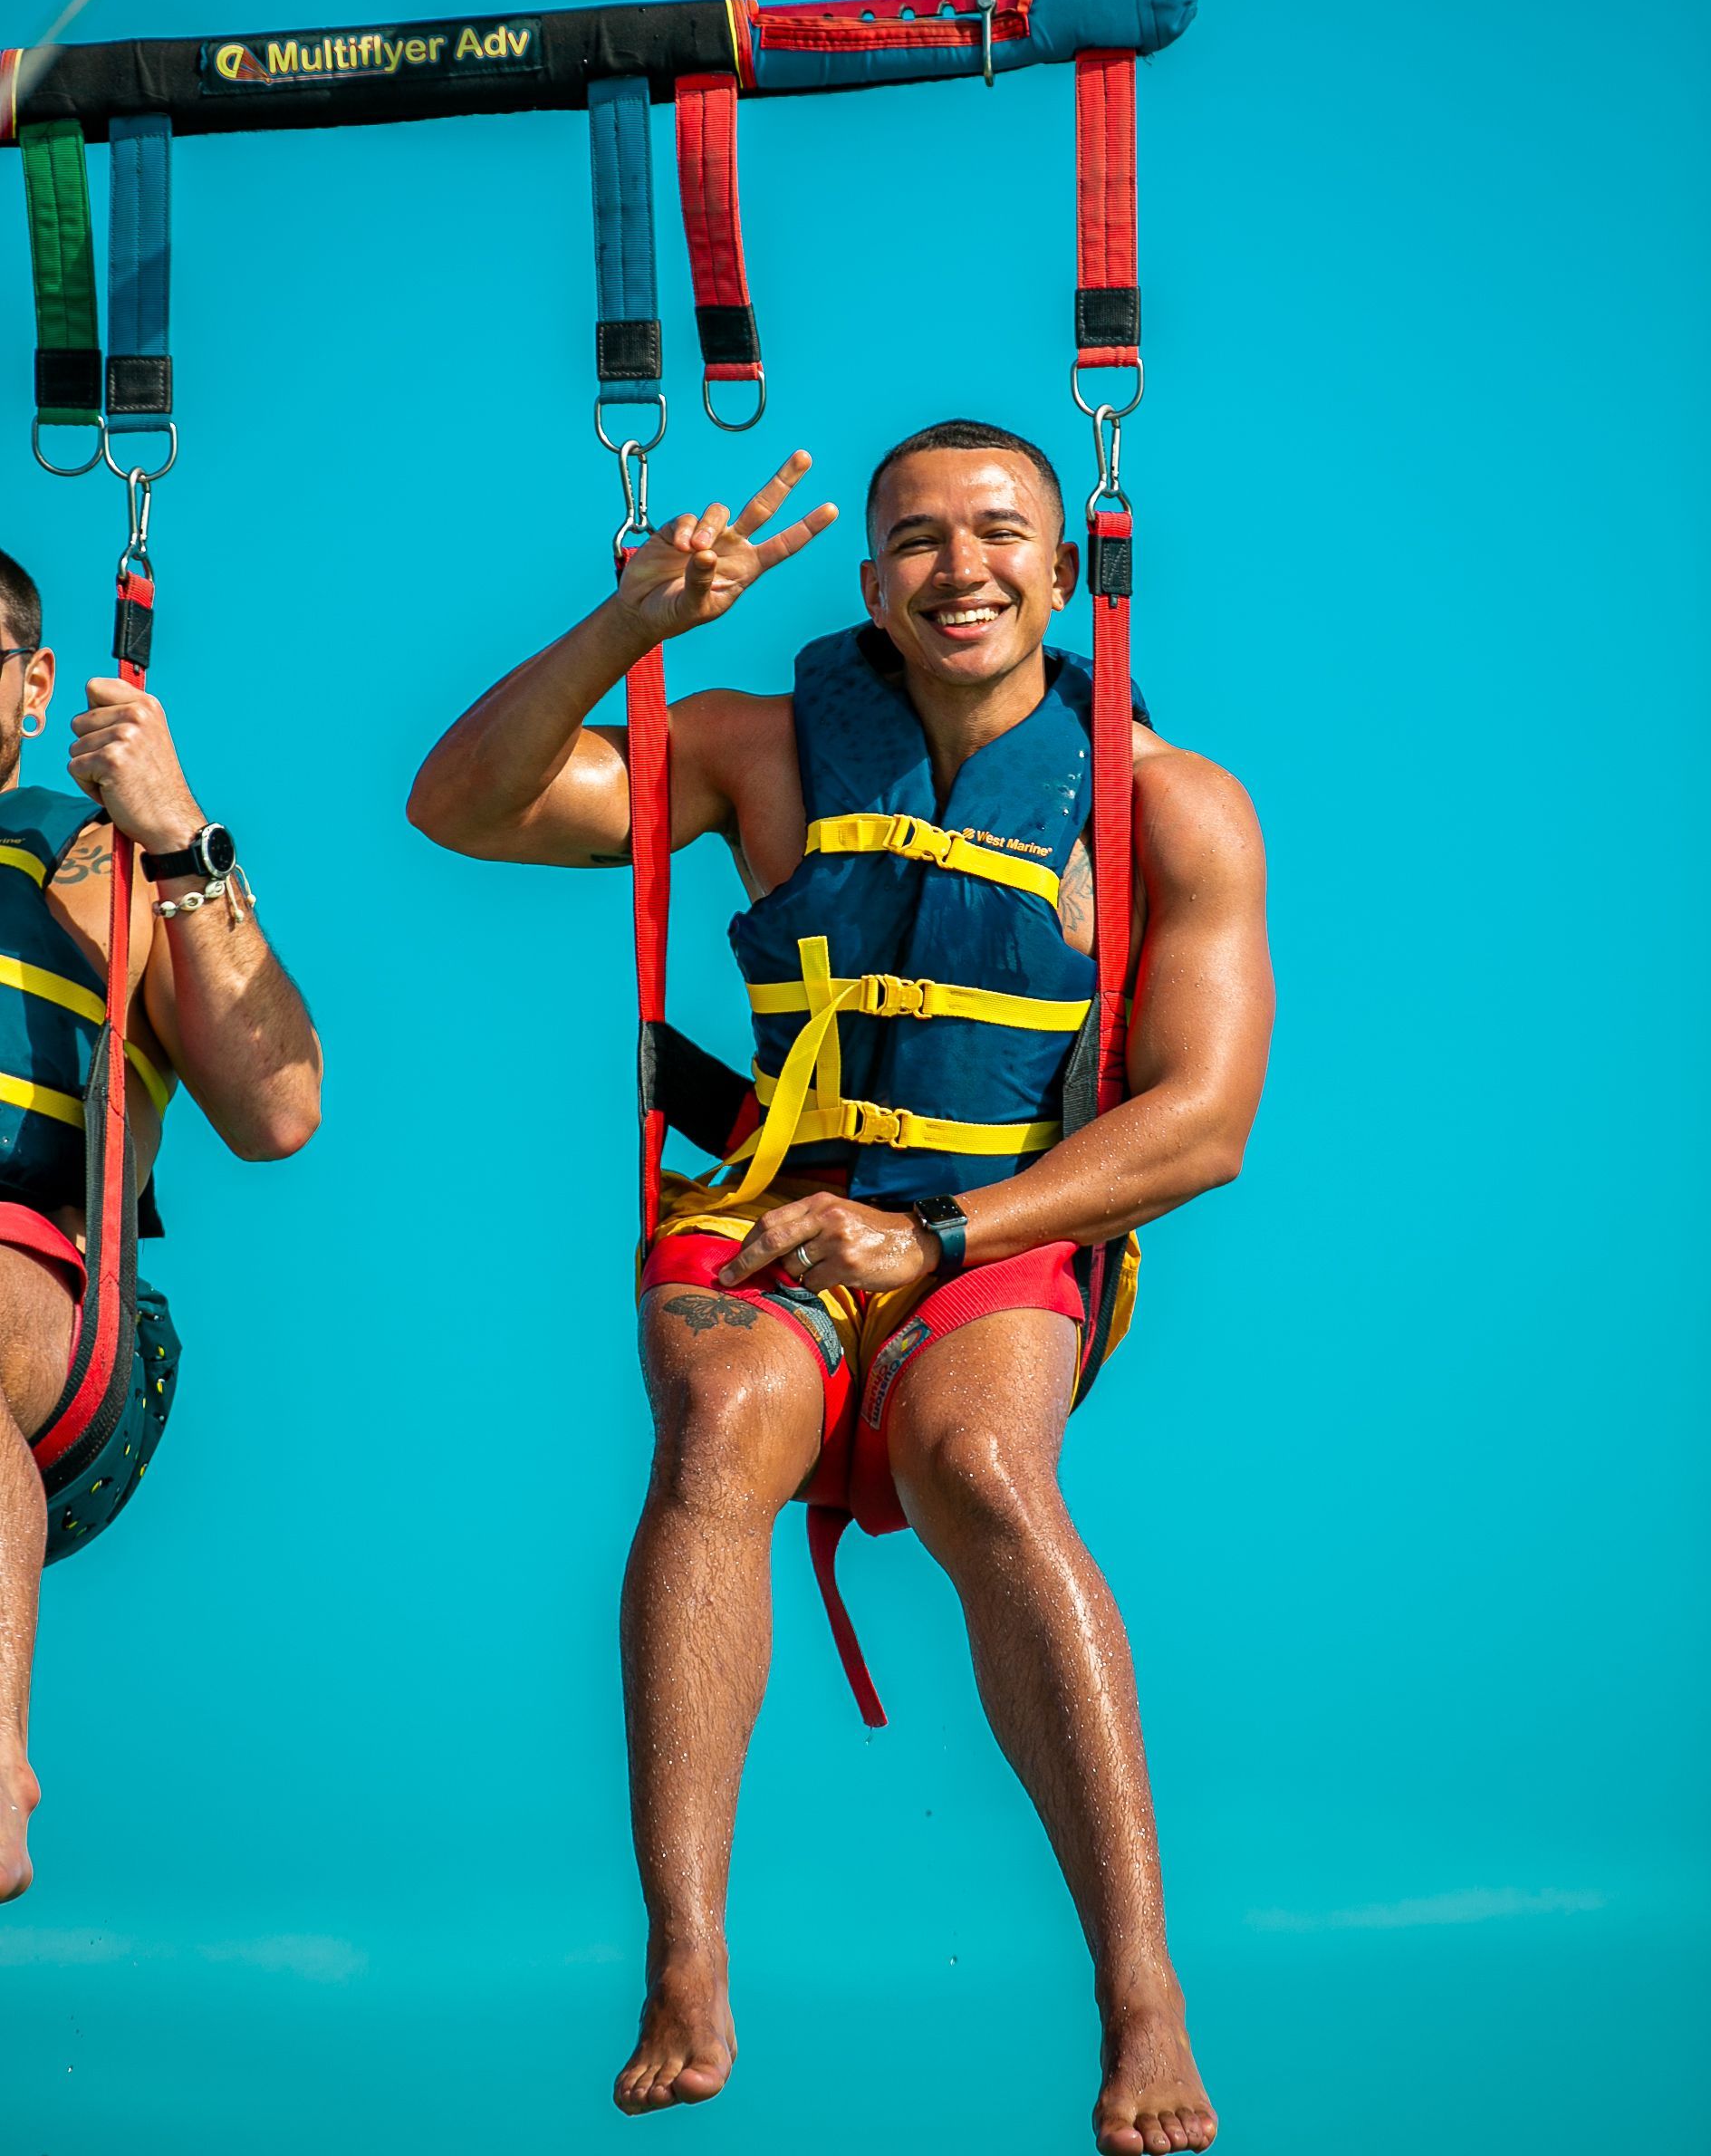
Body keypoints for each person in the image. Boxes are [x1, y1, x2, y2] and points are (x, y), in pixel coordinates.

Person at [409, 422, 1273, 2156]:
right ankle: (687, 1956)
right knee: (720, 1413)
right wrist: (631, 627)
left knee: (985, 1466)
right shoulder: (763, 748)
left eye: (999, 532)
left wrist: (942, 1236)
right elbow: (464, 808)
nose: (962, 567)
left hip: (998, 1229)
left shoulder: (1167, 805)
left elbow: (1203, 1124)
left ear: (1064, 569)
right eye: (920, 540)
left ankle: (1142, 1993)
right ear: (871, 582)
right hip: (779, 1212)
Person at [0, 544, 322, 1904]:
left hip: (50, 1320)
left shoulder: (97, 869)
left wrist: (177, 833)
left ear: (34, 691)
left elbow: (279, 1108)